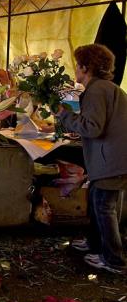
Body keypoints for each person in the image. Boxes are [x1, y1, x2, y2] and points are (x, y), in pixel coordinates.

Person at [57, 44, 127, 275]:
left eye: (78, 64)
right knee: (102, 204)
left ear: (86, 67)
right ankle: (96, 245)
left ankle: (113, 260)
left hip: (111, 161)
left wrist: (65, 115)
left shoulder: (96, 90)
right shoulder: (108, 88)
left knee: (104, 208)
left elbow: (93, 127)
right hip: (116, 158)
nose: (75, 68)